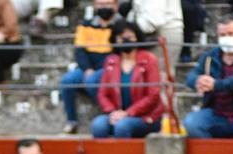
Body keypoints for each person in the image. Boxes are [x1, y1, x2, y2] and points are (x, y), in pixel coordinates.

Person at [91, 22, 165, 139]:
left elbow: (153, 95)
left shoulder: (149, 60)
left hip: (146, 117)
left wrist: (128, 113)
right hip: (116, 114)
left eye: (130, 37)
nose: (126, 40)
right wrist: (113, 112)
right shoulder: (111, 61)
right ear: (115, 40)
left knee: (123, 126)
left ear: (137, 38)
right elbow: (102, 94)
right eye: (121, 38)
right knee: (98, 125)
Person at [60, 0, 124, 134]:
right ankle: (72, 122)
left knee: (92, 80)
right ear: (95, 6)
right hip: (88, 67)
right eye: (100, 4)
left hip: (111, 68)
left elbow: (119, 52)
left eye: (108, 3)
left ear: (116, 6)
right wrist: (87, 69)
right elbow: (80, 51)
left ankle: (111, 112)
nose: (104, 7)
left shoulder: (122, 25)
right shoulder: (85, 25)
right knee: (67, 81)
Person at [127, 0, 184, 67]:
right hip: (159, 32)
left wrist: (129, 29)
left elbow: (153, 19)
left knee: (157, 71)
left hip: (160, 34)